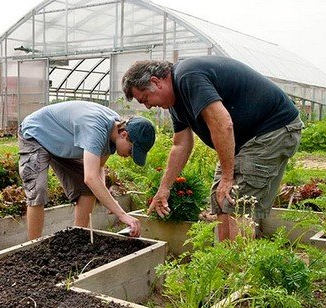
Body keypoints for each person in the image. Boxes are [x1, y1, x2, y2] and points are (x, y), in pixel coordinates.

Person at [122, 56, 303, 240]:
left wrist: (227, 176)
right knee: (221, 199)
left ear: (156, 82)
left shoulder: (188, 77)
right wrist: (164, 189)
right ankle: (225, 262)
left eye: (145, 98)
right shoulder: (175, 103)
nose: (148, 106)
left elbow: (223, 124)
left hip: (273, 129)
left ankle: (239, 265)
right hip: (247, 139)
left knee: (236, 201)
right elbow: (180, 144)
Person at [18, 100, 156, 240]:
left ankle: (78, 238)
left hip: (62, 142)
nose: (130, 156)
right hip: (36, 134)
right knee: (38, 190)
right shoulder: (96, 129)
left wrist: (107, 201)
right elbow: (90, 178)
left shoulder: (113, 133)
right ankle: (34, 246)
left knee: (89, 190)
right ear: (124, 134)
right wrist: (121, 214)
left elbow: (99, 167)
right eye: (132, 150)